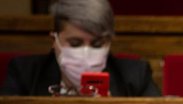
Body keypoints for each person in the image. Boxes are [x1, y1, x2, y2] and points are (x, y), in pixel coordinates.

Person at [1, 0, 160, 96]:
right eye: (75, 43)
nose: (86, 53)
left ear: (108, 43)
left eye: (97, 44)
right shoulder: (25, 74)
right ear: (54, 40)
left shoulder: (135, 76)